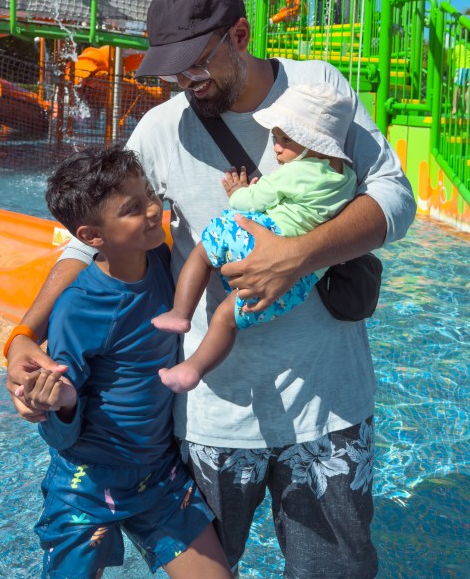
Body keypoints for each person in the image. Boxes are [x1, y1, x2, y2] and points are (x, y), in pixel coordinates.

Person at [6, 0, 416, 579]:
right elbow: (90, 241)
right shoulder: (160, 129)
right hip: (213, 418)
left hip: (327, 404)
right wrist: (24, 332)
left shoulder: (317, 89)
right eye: (172, 71)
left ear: (240, 36)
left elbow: (394, 196)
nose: (184, 82)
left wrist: (298, 256)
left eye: (196, 64)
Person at [21, 144, 241, 579]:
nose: (153, 210)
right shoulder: (79, 307)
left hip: (160, 475)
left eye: (150, 196)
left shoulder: (162, 264)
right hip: (86, 483)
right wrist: (60, 402)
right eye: (133, 208)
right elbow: (59, 423)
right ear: (92, 236)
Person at [153, 82, 358, 394]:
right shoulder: (348, 178)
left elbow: (248, 203)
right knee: (227, 317)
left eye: (286, 139)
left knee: (202, 252)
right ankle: (192, 369)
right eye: (276, 138)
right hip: (298, 277)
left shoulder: (297, 171)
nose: (276, 147)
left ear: (313, 143)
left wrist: (238, 190)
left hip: (258, 241)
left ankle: (180, 313)